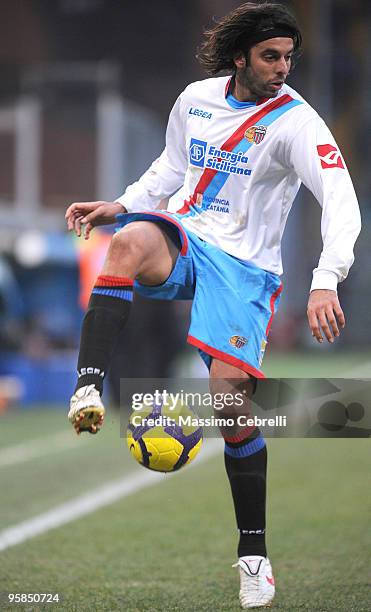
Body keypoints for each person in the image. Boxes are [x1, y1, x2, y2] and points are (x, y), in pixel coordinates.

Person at [65, 2, 361, 608]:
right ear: (239, 58)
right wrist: (121, 204)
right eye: (270, 57)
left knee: (231, 407)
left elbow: (342, 201)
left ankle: (253, 555)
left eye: (289, 58)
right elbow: (171, 168)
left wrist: (326, 278)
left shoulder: (298, 124)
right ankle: (88, 386)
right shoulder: (196, 99)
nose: (282, 68)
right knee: (124, 244)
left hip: (245, 271)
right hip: (188, 237)